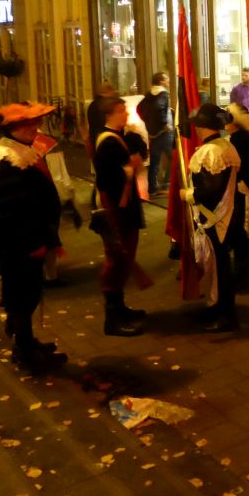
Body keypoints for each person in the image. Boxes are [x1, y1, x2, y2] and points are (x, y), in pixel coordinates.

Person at [0, 102, 67, 371]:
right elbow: (13, 210)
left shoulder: (18, 152)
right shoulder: (7, 160)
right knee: (21, 296)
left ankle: (27, 343)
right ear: (12, 129)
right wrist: (35, 243)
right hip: (20, 244)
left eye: (34, 123)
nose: (35, 128)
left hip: (25, 240)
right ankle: (24, 352)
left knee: (28, 294)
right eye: (28, 124)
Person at [180, 104, 241, 332]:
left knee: (220, 269)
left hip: (215, 219)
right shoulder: (223, 146)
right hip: (223, 216)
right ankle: (217, 307)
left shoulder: (211, 152)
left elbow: (210, 189)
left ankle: (226, 315)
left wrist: (188, 194)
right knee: (218, 267)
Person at [94, 96, 151, 337]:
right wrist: (130, 167)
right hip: (115, 210)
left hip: (124, 207)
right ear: (110, 114)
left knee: (125, 257)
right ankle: (113, 318)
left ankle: (121, 308)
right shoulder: (107, 142)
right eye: (121, 111)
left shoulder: (119, 138)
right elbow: (107, 179)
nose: (126, 114)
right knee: (117, 259)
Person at [225, 103, 249, 290]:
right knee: (242, 236)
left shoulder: (240, 140)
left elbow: (238, 167)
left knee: (242, 235)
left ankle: (244, 276)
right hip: (240, 192)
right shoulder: (240, 138)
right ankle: (244, 273)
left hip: (240, 193)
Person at [139, 71, 173, 196]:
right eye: (166, 78)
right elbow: (159, 108)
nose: (168, 80)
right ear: (161, 81)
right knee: (172, 158)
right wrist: (164, 123)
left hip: (153, 132)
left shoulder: (149, 94)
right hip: (164, 132)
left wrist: (148, 122)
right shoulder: (163, 94)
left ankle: (152, 187)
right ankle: (166, 183)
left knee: (154, 160)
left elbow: (139, 108)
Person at [86, 82, 119, 157]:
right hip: (105, 140)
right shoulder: (105, 105)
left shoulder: (93, 105)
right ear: (108, 92)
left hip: (96, 138)